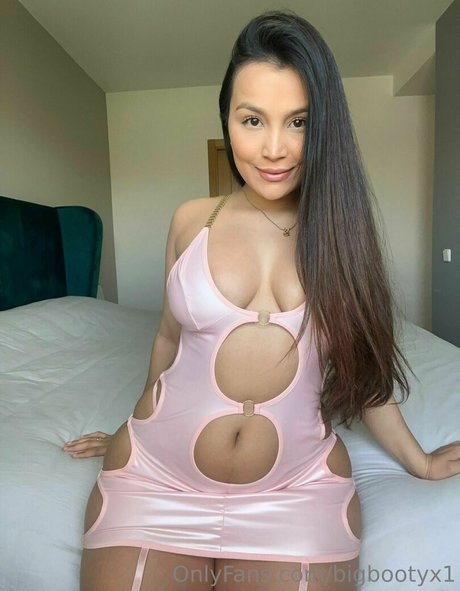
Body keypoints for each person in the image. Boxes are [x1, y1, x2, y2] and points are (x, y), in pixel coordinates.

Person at [70, 10, 460, 591]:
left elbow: (365, 371)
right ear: (227, 120)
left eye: (298, 122)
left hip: (296, 492)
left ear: (323, 128)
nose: (274, 148)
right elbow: (169, 338)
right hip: (155, 479)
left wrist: (420, 461)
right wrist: (131, 424)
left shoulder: (343, 236)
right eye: (252, 120)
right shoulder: (191, 220)